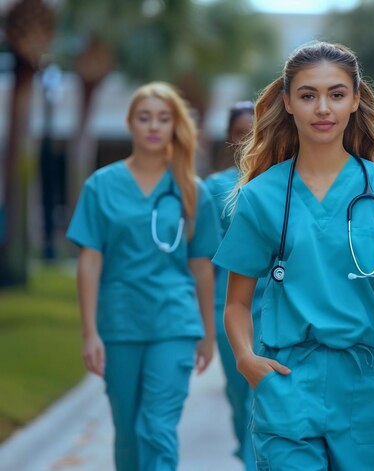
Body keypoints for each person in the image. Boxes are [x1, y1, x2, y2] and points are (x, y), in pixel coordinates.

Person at [212, 42, 374, 470]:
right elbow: (236, 303)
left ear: (356, 99)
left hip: (368, 384)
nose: (322, 108)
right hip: (287, 381)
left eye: (336, 94)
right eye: (308, 95)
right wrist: (246, 359)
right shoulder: (260, 197)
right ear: (288, 102)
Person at [67, 82, 219, 471]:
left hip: (174, 321)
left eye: (163, 118)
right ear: (130, 123)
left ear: (174, 126)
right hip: (120, 322)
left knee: (157, 426)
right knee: (129, 431)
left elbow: (202, 265)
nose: (154, 126)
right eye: (145, 117)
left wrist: (208, 332)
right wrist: (89, 332)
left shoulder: (191, 190)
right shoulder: (101, 186)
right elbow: (90, 261)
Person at [204, 100, 259, 470]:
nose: (248, 141)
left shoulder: (289, 178)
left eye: (255, 131)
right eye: (241, 133)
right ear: (229, 138)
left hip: (277, 304)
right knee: (240, 394)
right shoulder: (214, 188)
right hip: (230, 305)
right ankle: (247, 452)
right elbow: (203, 261)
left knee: (269, 398)